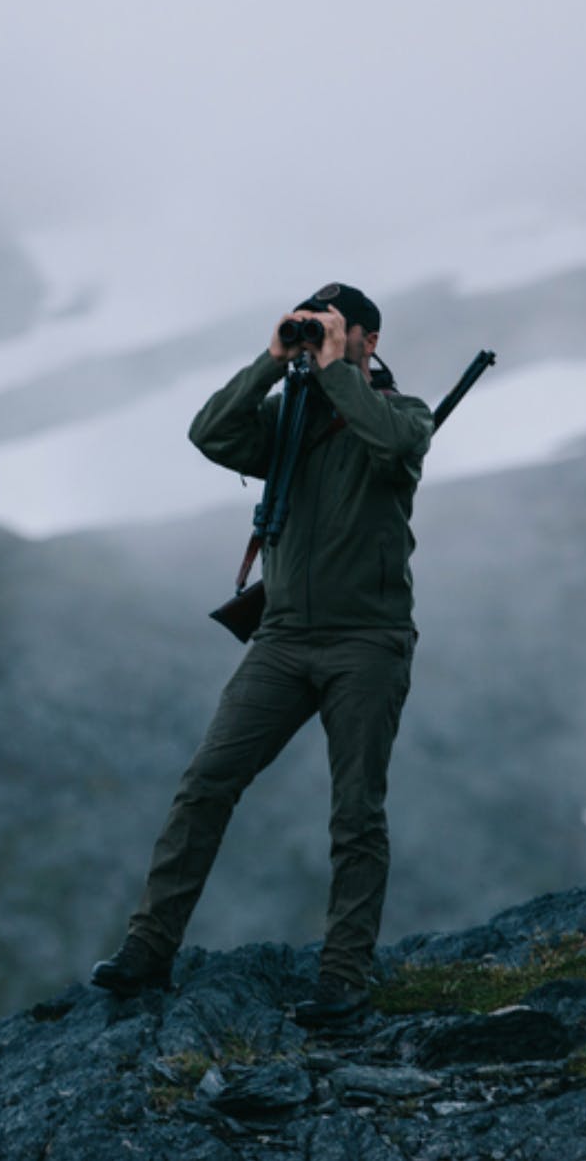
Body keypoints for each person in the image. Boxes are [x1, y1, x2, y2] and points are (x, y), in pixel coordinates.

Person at [90, 282, 434, 1027]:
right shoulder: (287, 418)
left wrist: (340, 369)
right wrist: (272, 361)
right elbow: (209, 433)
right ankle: (148, 951)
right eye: (310, 330)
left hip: (367, 643)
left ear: (369, 340)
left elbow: (394, 445)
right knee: (206, 783)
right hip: (282, 640)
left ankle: (343, 979)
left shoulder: (402, 414)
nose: (316, 342)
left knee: (355, 816)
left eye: (331, 330)